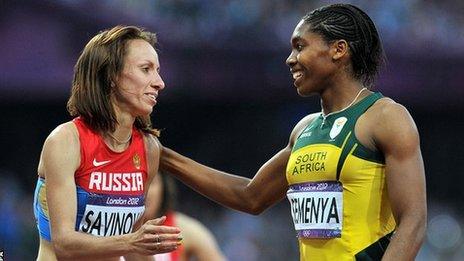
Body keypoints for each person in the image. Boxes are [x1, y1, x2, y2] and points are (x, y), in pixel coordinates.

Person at [159, 3, 427, 261]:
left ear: (338, 50)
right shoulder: (304, 130)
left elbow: (413, 222)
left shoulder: (385, 117)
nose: (290, 59)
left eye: (300, 46)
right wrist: (164, 157)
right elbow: (250, 196)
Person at [33, 25, 182, 261]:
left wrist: (136, 243)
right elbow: (64, 245)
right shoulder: (66, 141)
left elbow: (137, 247)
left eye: (158, 71)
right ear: (111, 76)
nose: (159, 82)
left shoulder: (148, 148)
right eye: (146, 69)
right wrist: (132, 242)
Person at [144, 172, 226, 261]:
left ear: (164, 187)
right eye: (137, 184)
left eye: (151, 182)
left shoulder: (185, 230)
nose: (144, 192)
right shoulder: (126, 237)